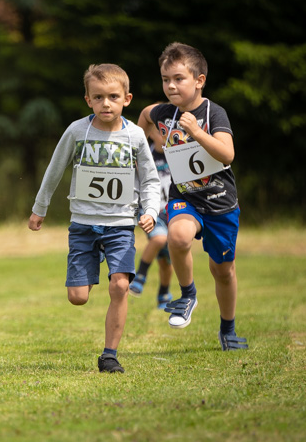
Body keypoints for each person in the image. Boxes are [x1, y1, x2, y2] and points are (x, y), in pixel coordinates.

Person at [29, 64, 161, 373]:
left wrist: (151, 211)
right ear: (87, 99)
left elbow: (151, 180)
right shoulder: (77, 131)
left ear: (126, 99)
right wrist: (40, 208)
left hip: (120, 226)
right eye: (98, 97)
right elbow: (55, 168)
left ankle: (109, 355)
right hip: (83, 225)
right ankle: (93, 268)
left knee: (119, 287)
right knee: (77, 298)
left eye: (113, 97)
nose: (106, 103)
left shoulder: (135, 135)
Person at [139, 42, 247, 351]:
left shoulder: (214, 112)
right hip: (184, 196)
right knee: (178, 236)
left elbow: (228, 154)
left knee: (222, 271)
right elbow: (145, 117)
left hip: (220, 202)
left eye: (178, 78)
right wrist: (148, 143)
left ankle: (228, 329)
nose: (170, 85)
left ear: (199, 80)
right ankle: (187, 295)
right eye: (165, 79)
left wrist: (198, 133)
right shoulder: (163, 112)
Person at [129, 110, 174, 309]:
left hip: (173, 212)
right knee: (159, 238)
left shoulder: (177, 155)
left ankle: (164, 293)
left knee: (166, 260)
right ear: (152, 133)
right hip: (151, 210)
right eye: (161, 131)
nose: (165, 135)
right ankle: (140, 276)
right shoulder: (145, 153)